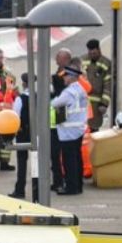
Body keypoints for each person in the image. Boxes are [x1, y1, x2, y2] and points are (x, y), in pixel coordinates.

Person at [51, 59, 88, 195]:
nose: (64, 79)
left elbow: (54, 103)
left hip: (68, 131)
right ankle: (78, 186)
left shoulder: (68, 92)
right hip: (79, 129)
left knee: (69, 161)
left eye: (65, 76)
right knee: (77, 159)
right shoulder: (81, 89)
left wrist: (51, 96)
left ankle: (71, 187)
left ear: (71, 77)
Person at [9, 73, 35, 200]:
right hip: (38, 133)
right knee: (36, 162)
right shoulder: (42, 97)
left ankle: (20, 189)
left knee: (22, 162)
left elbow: (15, 117)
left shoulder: (21, 99)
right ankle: (37, 189)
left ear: (24, 84)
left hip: (23, 133)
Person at [50, 49, 72, 190]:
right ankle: (57, 180)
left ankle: (62, 180)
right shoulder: (58, 74)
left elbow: (61, 91)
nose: (56, 60)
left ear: (66, 59)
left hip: (62, 115)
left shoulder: (68, 75)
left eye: (59, 57)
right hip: (55, 115)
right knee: (54, 153)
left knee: (61, 152)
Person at [81, 39, 112, 130]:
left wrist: (104, 104)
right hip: (83, 102)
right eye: (90, 53)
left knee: (94, 128)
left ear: (99, 50)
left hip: (96, 104)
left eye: (94, 53)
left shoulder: (106, 63)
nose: (92, 55)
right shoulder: (83, 60)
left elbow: (108, 85)